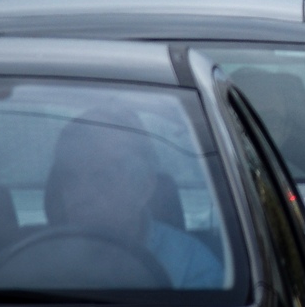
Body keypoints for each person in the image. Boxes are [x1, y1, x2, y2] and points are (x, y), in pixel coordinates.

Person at [46, 110, 223, 288]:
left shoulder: (192, 269)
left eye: (103, 179)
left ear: (143, 188)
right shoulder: (37, 258)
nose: (80, 195)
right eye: (69, 179)